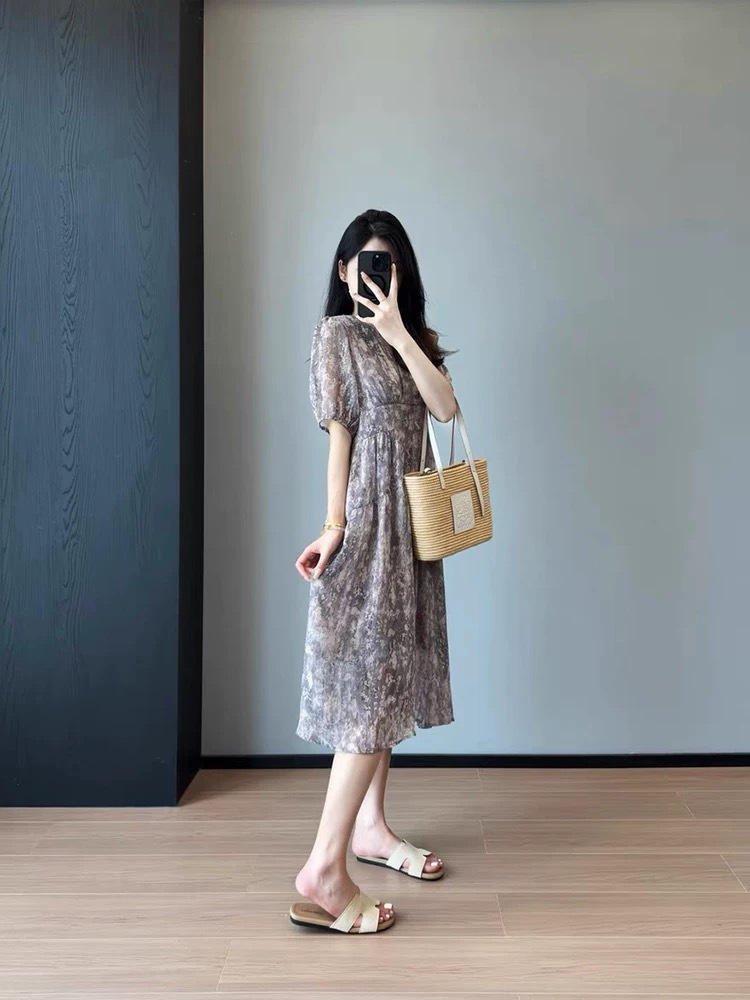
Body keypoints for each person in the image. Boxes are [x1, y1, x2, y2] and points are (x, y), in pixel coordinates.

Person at [290, 209, 457, 935]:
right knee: (368, 688)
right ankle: (324, 868)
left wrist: (398, 331)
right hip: (368, 527)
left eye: (391, 262)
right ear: (344, 270)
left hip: (411, 532)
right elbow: (341, 440)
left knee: (390, 682)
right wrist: (333, 529)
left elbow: (445, 410)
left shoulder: (410, 338)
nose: (380, 272)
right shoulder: (336, 338)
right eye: (368, 261)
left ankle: (371, 830)